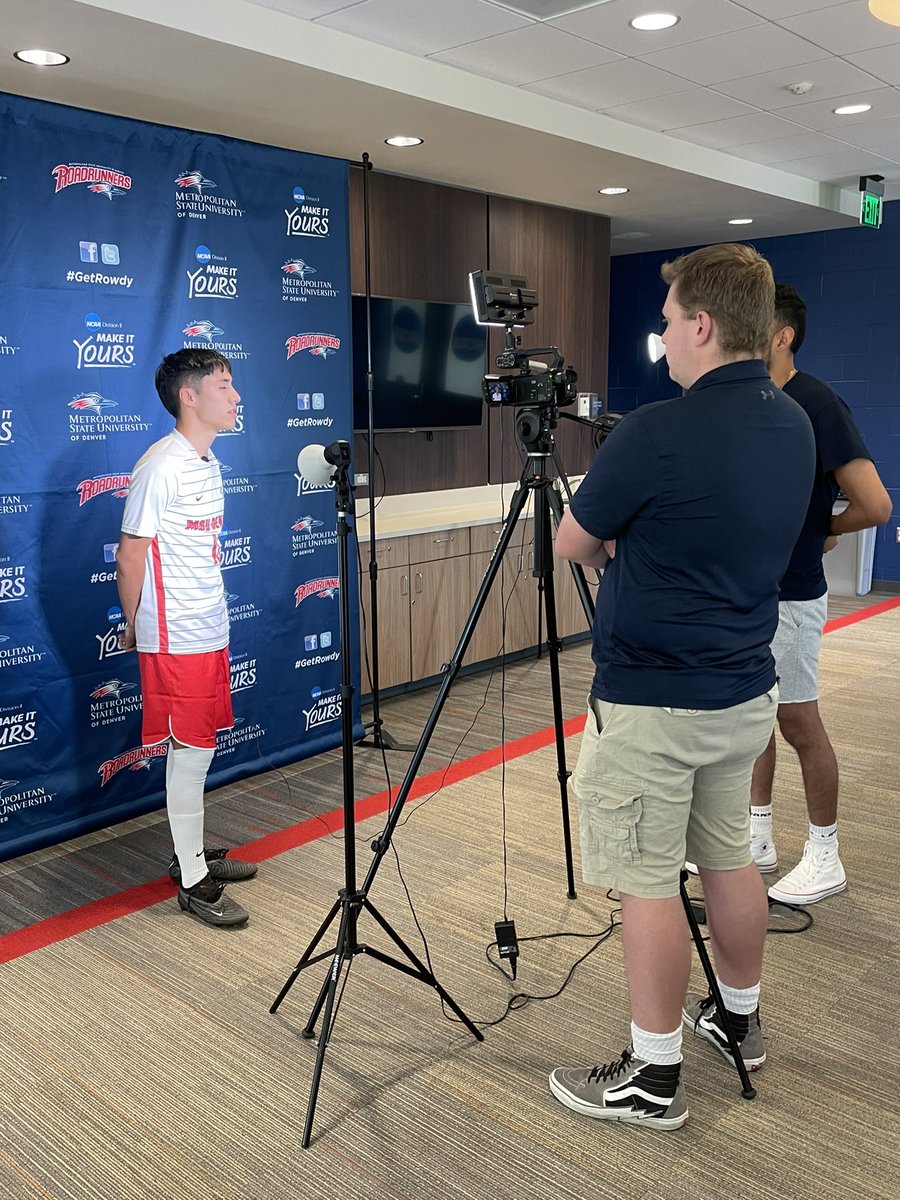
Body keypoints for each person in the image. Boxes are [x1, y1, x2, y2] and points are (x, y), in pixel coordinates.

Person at [549, 244, 815, 1129]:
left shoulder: (654, 431)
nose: (661, 336)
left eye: (667, 322)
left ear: (702, 324)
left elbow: (573, 543)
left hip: (652, 702)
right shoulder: (794, 424)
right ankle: (739, 1021)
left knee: (647, 879)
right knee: (729, 857)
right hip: (742, 693)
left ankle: (652, 1076)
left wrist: (630, 542)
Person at [750, 285, 891, 905]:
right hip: (750, 592)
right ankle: (756, 837)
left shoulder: (818, 403)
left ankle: (825, 853)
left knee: (797, 720)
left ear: (782, 336)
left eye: (755, 325)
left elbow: (876, 505)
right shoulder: (752, 399)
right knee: (754, 717)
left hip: (793, 597)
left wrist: (825, 527)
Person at [116, 348, 257, 928]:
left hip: (208, 626)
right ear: (189, 396)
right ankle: (193, 881)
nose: (236, 395)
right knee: (191, 750)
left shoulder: (207, 460)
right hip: (175, 636)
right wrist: (134, 625)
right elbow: (131, 555)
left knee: (196, 747)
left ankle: (190, 853)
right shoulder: (160, 465)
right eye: (224, 385)